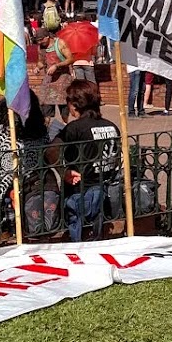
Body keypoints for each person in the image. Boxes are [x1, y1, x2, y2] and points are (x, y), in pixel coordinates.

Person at [53, 79, 119, 241]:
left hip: (80, 191)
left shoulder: (74, 128)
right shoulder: (112, 126)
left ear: (74, 104)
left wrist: (63, 172)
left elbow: (50, 150)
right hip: (105, 188)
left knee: (78, 233)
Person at [35, 29, 75, 122]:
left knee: (64, 105)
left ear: (47, 37)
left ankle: (65, 123)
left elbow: (70, 59)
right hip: (49, 80)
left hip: (63, 79)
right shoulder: (40, 47)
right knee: (45, 105)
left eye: (41, 40)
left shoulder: (60, 43)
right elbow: (41, 62)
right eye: (38, 41)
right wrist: (38, 67)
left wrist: (57, 66)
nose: (40, 42)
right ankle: (46, 126)